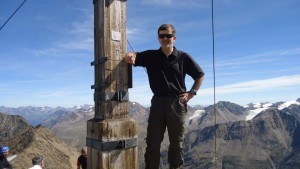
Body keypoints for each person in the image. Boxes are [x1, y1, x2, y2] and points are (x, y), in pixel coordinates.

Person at [124, 24, 205, 169]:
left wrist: (192, 93)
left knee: (176, 143)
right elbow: (135, 56)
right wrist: (130, 55)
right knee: (152, 142)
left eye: (168, 36)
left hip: (177, 103)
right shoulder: (150, 56)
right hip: (158, 102)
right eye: (162, 36)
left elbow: (200, 75)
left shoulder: (183, 57)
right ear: (158, 38)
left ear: (174, 38)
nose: (165, 39)